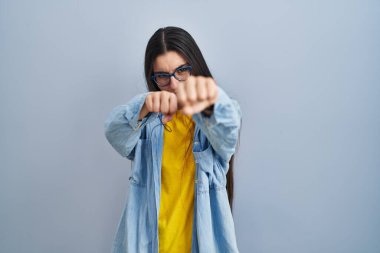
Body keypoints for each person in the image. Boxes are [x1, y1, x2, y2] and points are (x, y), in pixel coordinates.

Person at [105, 26, 241, 253]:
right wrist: (144, 105)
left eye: (182, 71)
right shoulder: (148, 125)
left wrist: (210, 97)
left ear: (195, 67)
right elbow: (113, 130)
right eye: (163, 76)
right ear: (153, 78)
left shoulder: (211, 126)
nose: (174, 84)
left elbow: (230, 124)